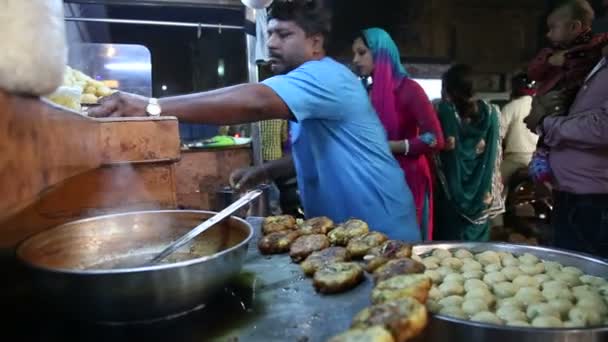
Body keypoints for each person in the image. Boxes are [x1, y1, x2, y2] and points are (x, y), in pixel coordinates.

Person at [88, 0, 421, 241]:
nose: (271, 43)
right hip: (350, 230)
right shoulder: (313, 86)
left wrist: (151, 106)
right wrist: (265, 171)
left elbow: (256, 102)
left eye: (284, 35)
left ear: (315, 42)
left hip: (382, 230)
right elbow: (319, 152)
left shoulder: (325, 76)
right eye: (271, 34)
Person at [351, 28, 444, 240]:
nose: (355, 59)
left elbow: (435, 138)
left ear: (381, 53)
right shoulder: (365, 93)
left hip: (408, 178)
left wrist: (391, 146)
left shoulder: (409, 90)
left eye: (362, 52)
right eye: (354, 53)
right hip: (374, 178)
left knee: (405, 245)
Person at [525, 45, 608, 258]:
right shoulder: (591, 64)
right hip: (571, 191)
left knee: (587, 276)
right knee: (568, 263)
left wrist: (544, 122)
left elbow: (602, 128)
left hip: (592, 195)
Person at [527, 0, 608, 184]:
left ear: (574, 27)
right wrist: (549, 61)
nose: (548, 35)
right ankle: (542, 156)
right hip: (556, 99)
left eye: (553, 28)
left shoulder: (595, 48)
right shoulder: (551, 53)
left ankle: (543, 156)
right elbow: (533, 70)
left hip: (590, 189)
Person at [433, 64, 503, 242]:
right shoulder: (492, 112)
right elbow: (496, 153)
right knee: (479, 252)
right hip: (482, 190)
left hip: (449, 190)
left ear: (447, 88)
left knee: (449, 246)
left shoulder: (440, 111)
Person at [500, 73, 538, 187]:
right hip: (537, 160)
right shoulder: (538, 106)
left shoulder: (511, 107)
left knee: (494, 188)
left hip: (514, 160)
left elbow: (499, 134)